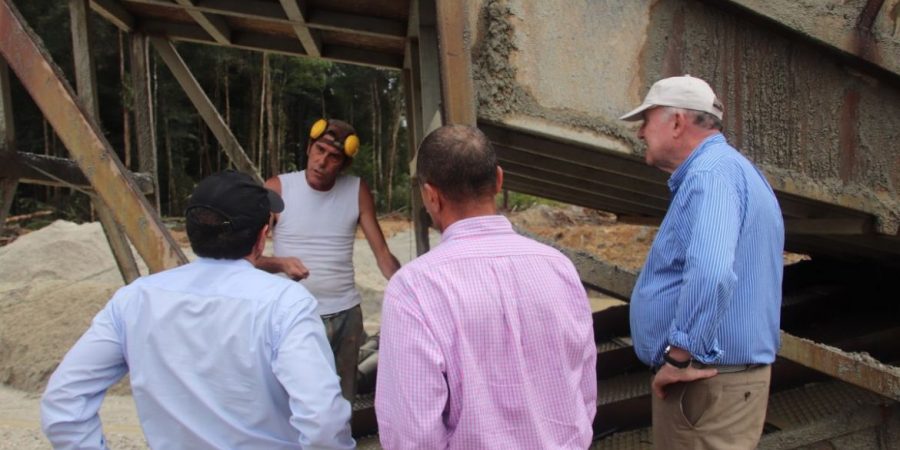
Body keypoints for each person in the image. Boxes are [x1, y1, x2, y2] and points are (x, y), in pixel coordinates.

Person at [41, 170, 355, 450]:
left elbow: (64, 402)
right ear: (262, 237)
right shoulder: (285, 304)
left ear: (192, 233)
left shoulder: (135, 299)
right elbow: (323, 422)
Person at [375, 125, 597, 449]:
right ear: (499, 179)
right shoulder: (558, 266)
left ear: (430, 196)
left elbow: (412, 433)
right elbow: (583, 391)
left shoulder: (414, 289)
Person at [621, 75, 784, 449]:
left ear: (677, 122)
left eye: (647, 120)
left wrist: (679, 357)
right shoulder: (732, 170)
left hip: (705, 387)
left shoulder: (710, 176)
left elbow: (711, 273)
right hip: (722, 383)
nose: (641, 132)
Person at [256, 118, 400, 402]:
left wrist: (413, 288)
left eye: (333, 157)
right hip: (292, 315)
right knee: (291, 401)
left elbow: (383, 256)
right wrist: (280, 263)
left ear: (344, 165)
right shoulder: (278, 188)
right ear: (309, 147)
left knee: (341, 400)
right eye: (319, 150)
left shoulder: (356, 190)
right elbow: (247, 258)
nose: (322, 161)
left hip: (346, 316)